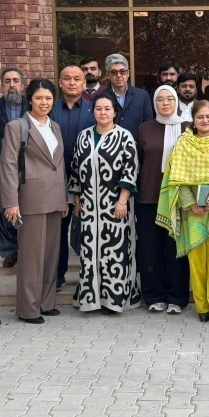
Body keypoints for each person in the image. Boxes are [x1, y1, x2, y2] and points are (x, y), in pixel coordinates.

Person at [157, 100, 209, 328]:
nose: (205, 120)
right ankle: (202, 307)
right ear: (193, 119)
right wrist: (190, 204)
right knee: (197, 262)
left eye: (208, 116)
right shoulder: (184, 143)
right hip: (193, 213)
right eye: (200, 117)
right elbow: (178, 178)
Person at [1, 78, 69, 324]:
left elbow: (59, 165)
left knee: (51, 255)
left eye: (48, 98)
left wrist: (64, 199)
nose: (44, 102)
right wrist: (11, 202)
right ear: (30, 99)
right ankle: (28, 309)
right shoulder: (16, 126)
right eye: (39, 98)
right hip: (30, 200)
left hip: (55, 199)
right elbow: (8, 165)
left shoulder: (55, 127)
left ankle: (46, 303)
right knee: (31, 257)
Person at [68, 94, 141, 313]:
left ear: (115, 112)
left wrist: (122, 201)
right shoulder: (83, 137)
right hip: (89, 207)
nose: (103, 113)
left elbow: (130, 170)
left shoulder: (124, 136)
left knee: (116, 252)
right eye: (98, 108)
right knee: (89, 253)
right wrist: (77, 199)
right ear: (93, 111)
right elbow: (75, 169)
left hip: (115, 206)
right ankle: (91, 298)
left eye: (107, 109)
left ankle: (114, 300)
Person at [136, 86, 189, 314]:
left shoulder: (188, 128)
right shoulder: (144, 129)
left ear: (176, 102)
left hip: (179, 199)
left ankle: (177, 297)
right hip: (149, 198)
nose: (165, 103)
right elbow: (137, 162)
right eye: (160, 99)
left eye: (169, 99)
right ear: (154, 103)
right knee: (151, 249)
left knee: (176, 250)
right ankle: (154, 295)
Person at [49, 65, 96, 290]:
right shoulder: (50, 109)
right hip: (55, 180)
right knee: (58, 231)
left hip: (88, 181)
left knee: (88, 231)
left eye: (77, 78)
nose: (72, 82)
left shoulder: (94, 108)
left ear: (84, 83)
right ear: (60, 82)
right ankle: (58, 275)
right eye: (67, 78)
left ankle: (89, 277)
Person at [0, 67, 27, 268]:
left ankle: (26, 248)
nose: (12, 85)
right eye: (7, 81)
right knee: (2, 207)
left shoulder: (32, 105)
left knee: (26, 205)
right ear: (2, 84)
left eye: (16, 81)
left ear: (22, 84)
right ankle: (9, 251)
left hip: (28, 164)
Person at [101, 53, 154, 137]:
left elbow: (148, 124)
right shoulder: (101, 97)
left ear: (128, 73)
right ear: (108, 75)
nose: (119, 75)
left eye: (122, 71)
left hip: (136, 143)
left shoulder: (142, 96)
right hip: (109, 143)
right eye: (114, 72)